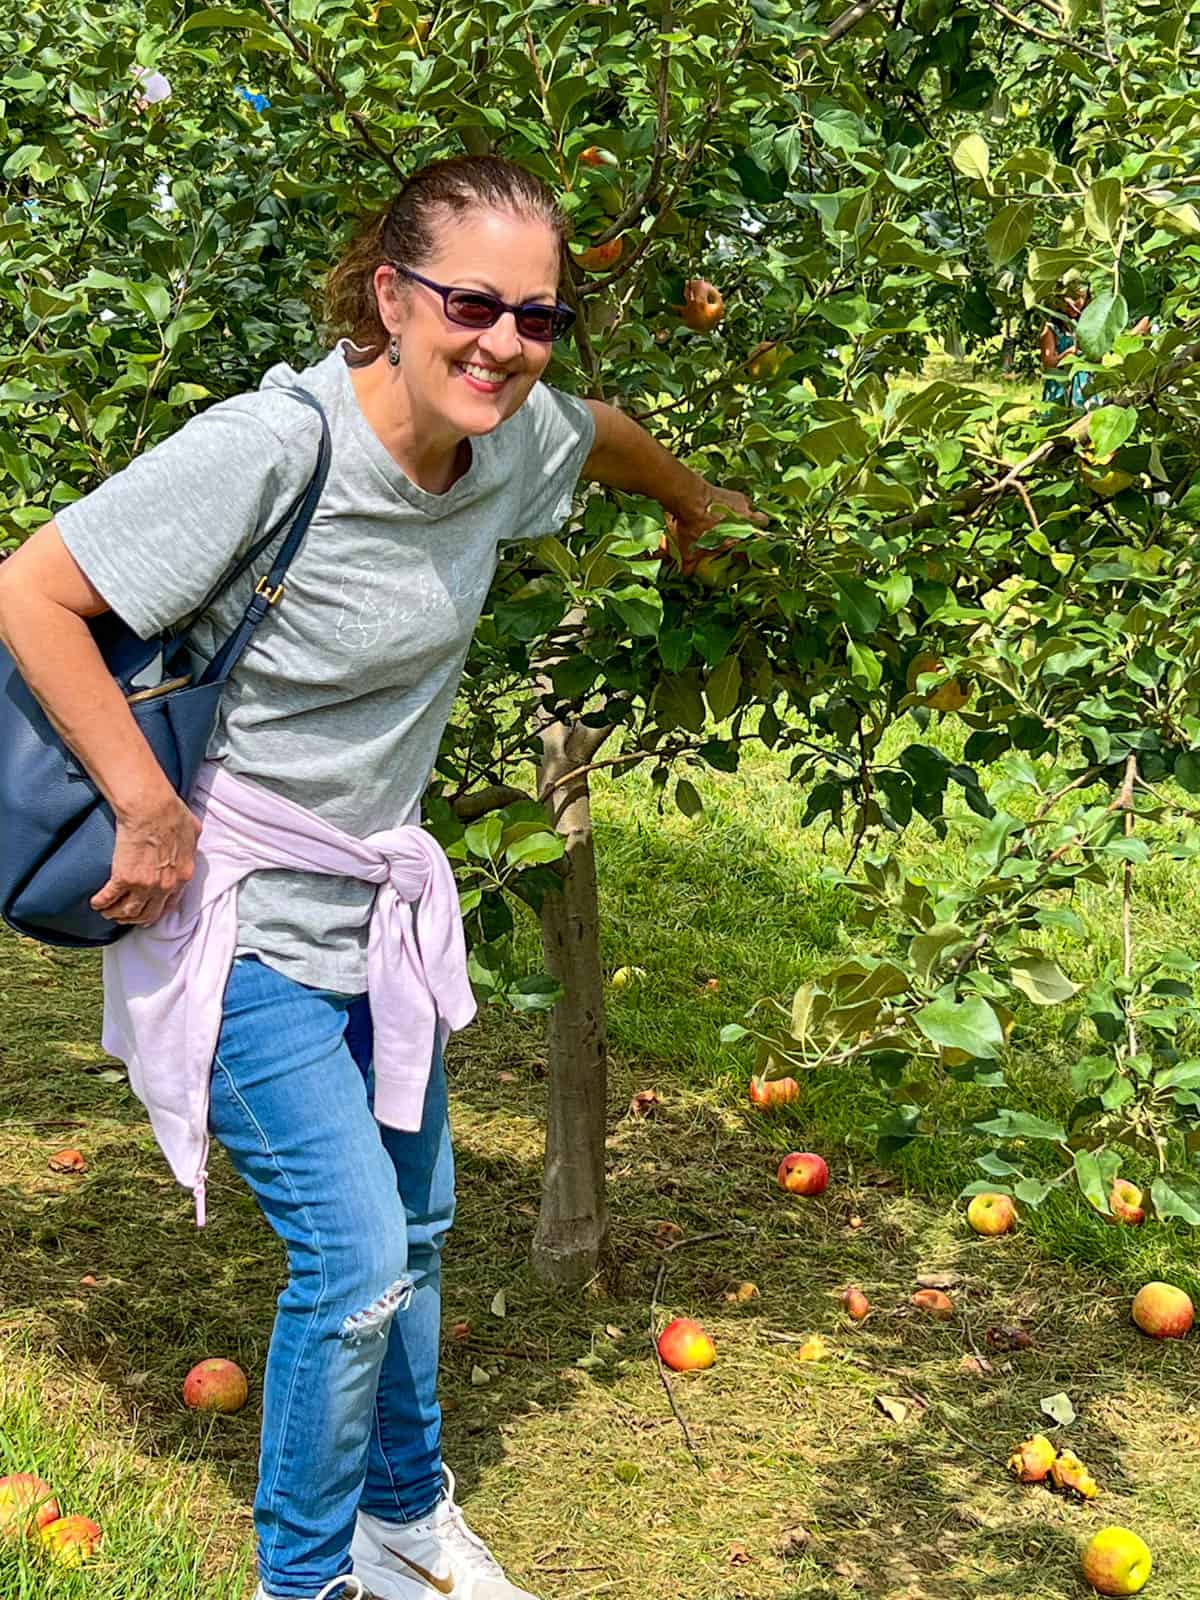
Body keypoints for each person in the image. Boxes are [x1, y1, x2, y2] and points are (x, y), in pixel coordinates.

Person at [0, 155, 764, 1600]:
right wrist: (147, 805)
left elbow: (600, 432)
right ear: (389, 293)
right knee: (354, 1264)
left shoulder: (514, 434)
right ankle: (307, 1580)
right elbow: (27, 588)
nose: (501, 343)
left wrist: (692, 498)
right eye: (470, 303)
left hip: (376, 914)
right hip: (234, 919)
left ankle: (408, 1518)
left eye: (536, 315)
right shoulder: (272, 450)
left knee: (415, 1228)